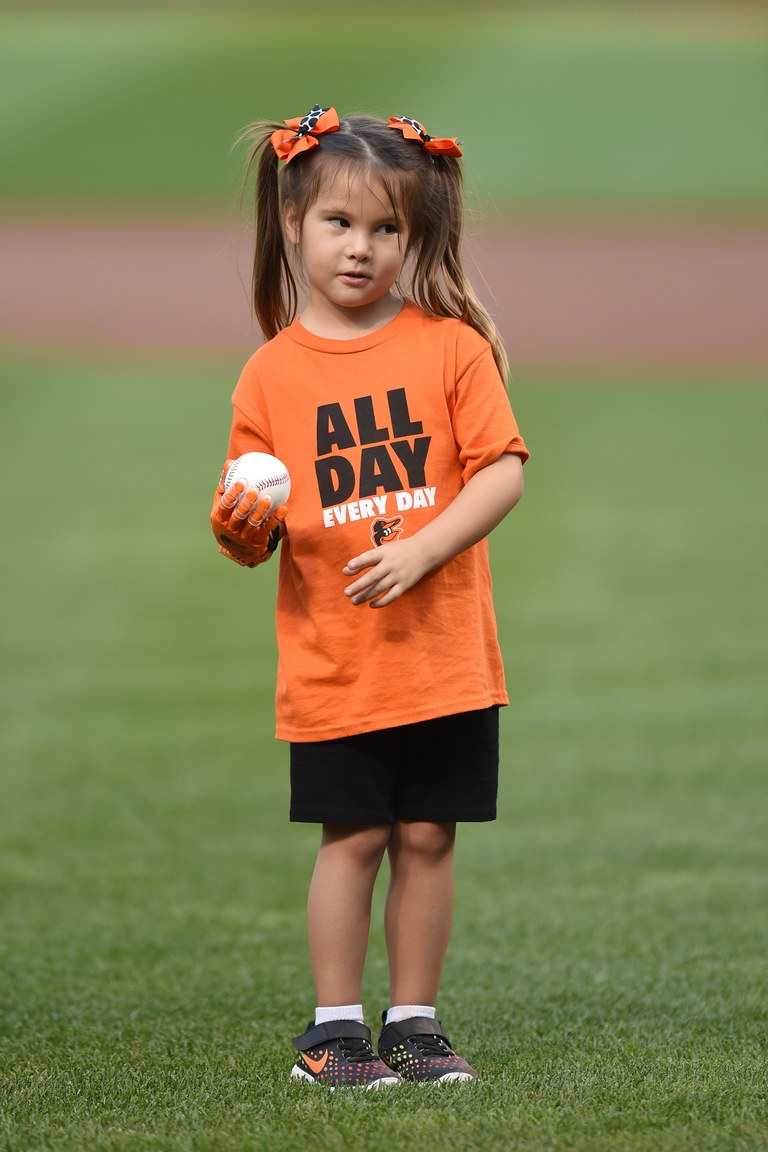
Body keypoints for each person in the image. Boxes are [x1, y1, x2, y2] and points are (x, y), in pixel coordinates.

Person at [210, 105, 529, 1088]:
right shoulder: (271, 374)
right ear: (295, 222)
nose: (362, 248)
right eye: (340, 224)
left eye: (387, 228)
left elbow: (501, 470)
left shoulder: (450, 348)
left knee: (430, 834)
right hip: (337, 660)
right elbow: (245, 525)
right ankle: (334, 1034)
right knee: (352, 837)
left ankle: (417, 1025)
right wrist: (239, 525)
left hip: (444, 652)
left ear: (417, 237)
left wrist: (425, 549)